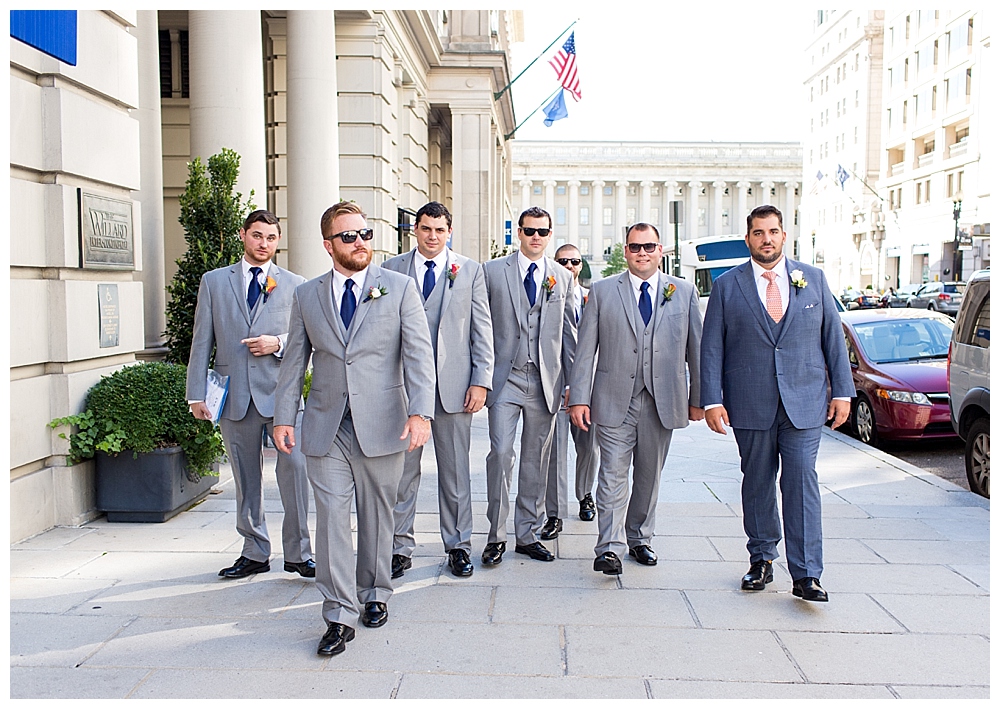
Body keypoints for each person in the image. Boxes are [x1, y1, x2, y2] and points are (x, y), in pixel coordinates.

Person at [272, 201, 436, 656]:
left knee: (378, 516)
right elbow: (294, 362)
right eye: (349, 236)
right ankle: (338, 614)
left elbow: (420, 355)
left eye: (365, 234)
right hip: (326, 425)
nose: (360, 242)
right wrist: (284, 417)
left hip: (384, 423)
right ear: (329, 245)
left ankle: (376, 592)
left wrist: (421, 412)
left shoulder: (399, 288)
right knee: (330, 520)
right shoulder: (307, 295)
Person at [700, 205, 852, 602]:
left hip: (804, 400)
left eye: (773, 231)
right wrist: (711, 400)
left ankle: (806, 574)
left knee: (801, 481)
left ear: (784, 236)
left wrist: (842, 391)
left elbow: (833, 339)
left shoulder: (813, 280)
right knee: (758, 482)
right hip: (750, 401)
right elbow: (712, 346)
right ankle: (762, 558)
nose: (766, 239)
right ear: (747, 238)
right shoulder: (727, 286)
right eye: (758, 232)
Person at [569, 223, 703, 575]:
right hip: (613, 398)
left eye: (648, 246)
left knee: (649, 475)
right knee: (612, 474)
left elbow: (696, 348)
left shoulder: (683, 292)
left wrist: (699, 398)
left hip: (663, 399)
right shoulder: (601, 291)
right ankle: (608, 548)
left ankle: (639, 538)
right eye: (634, 247)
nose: (641, 253)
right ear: (625, 251)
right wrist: (579, 398)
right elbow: (585, 351)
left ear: (661, 251)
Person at [186, 209, 314, 580]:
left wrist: (277, 342)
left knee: (296, 472)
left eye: (271, 238)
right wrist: (196, 394)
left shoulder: (295, 284)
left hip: (282, 397)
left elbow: (308, 340)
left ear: (278, 240)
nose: (264, 244)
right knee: (246, 477)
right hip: (236, 397)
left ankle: (298, 553)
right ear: (243, 235)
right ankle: (255, 551)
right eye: (257, 236)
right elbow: (201, 341)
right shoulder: (214, 282)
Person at [382, 201, 494, 579]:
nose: (432, 236)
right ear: (415, 229)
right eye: (426, 228)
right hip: (406, 388)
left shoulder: (470, 271)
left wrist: (481, 380)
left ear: (449, 232)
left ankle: (459, 545)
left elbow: (482, 329)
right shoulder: (391, 269)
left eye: (439, 230)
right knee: (402, 472)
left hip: (454, 386)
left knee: (455, 471)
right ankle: (399, 547)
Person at [481, 206, 576, 565]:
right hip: (504, 379)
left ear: (550, 235)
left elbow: (570, 335)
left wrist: (574, 385)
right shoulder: (492, 272)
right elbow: (481, 327)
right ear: (518, 233)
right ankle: (495, 536)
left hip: (545, 381)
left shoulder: (561, 278)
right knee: (501, 453)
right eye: (530, 230)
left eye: (542, 231)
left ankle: (527, 534)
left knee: (536, 461)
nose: (536, 237)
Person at [542, 243, 600, 538]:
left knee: (589, 447)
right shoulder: (546, 296)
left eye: (574, 261)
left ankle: (585, 493)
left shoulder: (594, 298)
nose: (569, 266)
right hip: (554, 387)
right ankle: (554, 513)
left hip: (587, 391)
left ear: (580, 265)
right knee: (554, 452)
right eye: (563, 261)